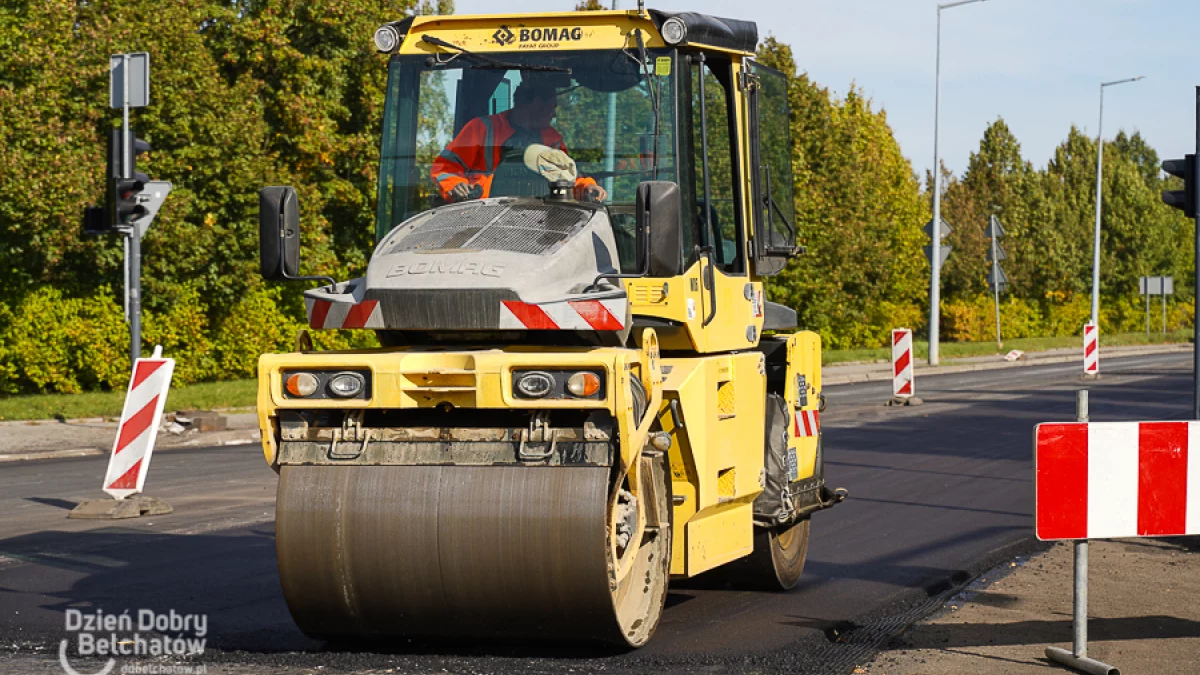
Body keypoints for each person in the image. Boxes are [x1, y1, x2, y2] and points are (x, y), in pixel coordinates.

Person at [431, 77, 608, 203]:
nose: (554, 114)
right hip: (481, 219)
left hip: (542, 220)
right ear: (537, 103)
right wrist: (455, 186)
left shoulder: (553, 140)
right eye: (552, 107)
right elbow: (444, 168)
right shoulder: (482, 129)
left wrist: (587, 187)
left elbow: (567, 177)